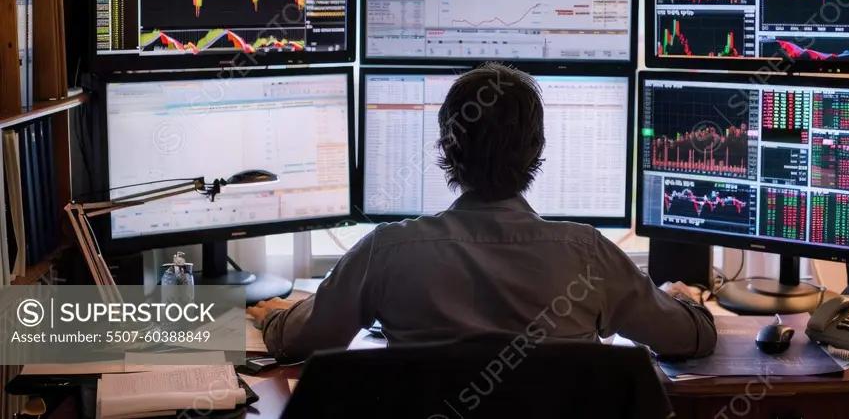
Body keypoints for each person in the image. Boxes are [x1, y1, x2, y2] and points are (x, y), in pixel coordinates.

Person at [248, 63, 717, 363]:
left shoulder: (388, 251)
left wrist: (277, 317)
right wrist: (686, 303)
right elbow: (689, 342)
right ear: (537, 152)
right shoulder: (587, 255)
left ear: (446, 150)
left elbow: (298, 342)